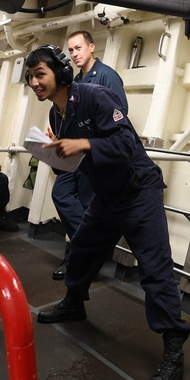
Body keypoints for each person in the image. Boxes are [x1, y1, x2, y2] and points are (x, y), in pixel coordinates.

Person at [25, 45, 190, 380]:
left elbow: (126, 143)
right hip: (107, 195)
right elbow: (69, 165)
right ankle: (73, 302)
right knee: (82, 247)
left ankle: (174, 351)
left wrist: (82, 143)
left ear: (61, 74)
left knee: (154, 269)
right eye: (30, 77)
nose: (34, 82)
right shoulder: (57, 115)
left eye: (40, 74)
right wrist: (54, 152)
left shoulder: (95, 96)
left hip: (137, 190)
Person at [50, 30, 128, 280]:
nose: (74, 54)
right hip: (74, 156)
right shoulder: (74, 80)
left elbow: (119, 115)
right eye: (71, 50)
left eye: (78, 48)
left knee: (86, 204)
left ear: (92, 47)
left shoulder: (107, 77)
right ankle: (88, 251)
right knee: (60, 194)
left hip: (92, 154)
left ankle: (77, 259)